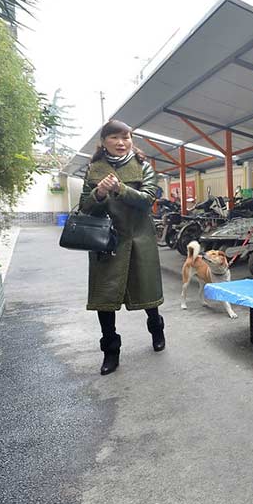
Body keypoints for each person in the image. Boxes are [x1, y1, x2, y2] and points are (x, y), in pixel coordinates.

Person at [80, 119, 165, 376]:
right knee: (104, 299)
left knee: (148, 293)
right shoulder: (94, 169)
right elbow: (85, 206)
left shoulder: (143, 166)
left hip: (139, 239)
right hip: (106, 241)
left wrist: (120, 188)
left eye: (126, 137)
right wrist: (99, 194)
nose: (121, 142)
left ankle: (157, 329)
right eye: (114, 137)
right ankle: (111, 351)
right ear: (104, 141)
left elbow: (148, 200)